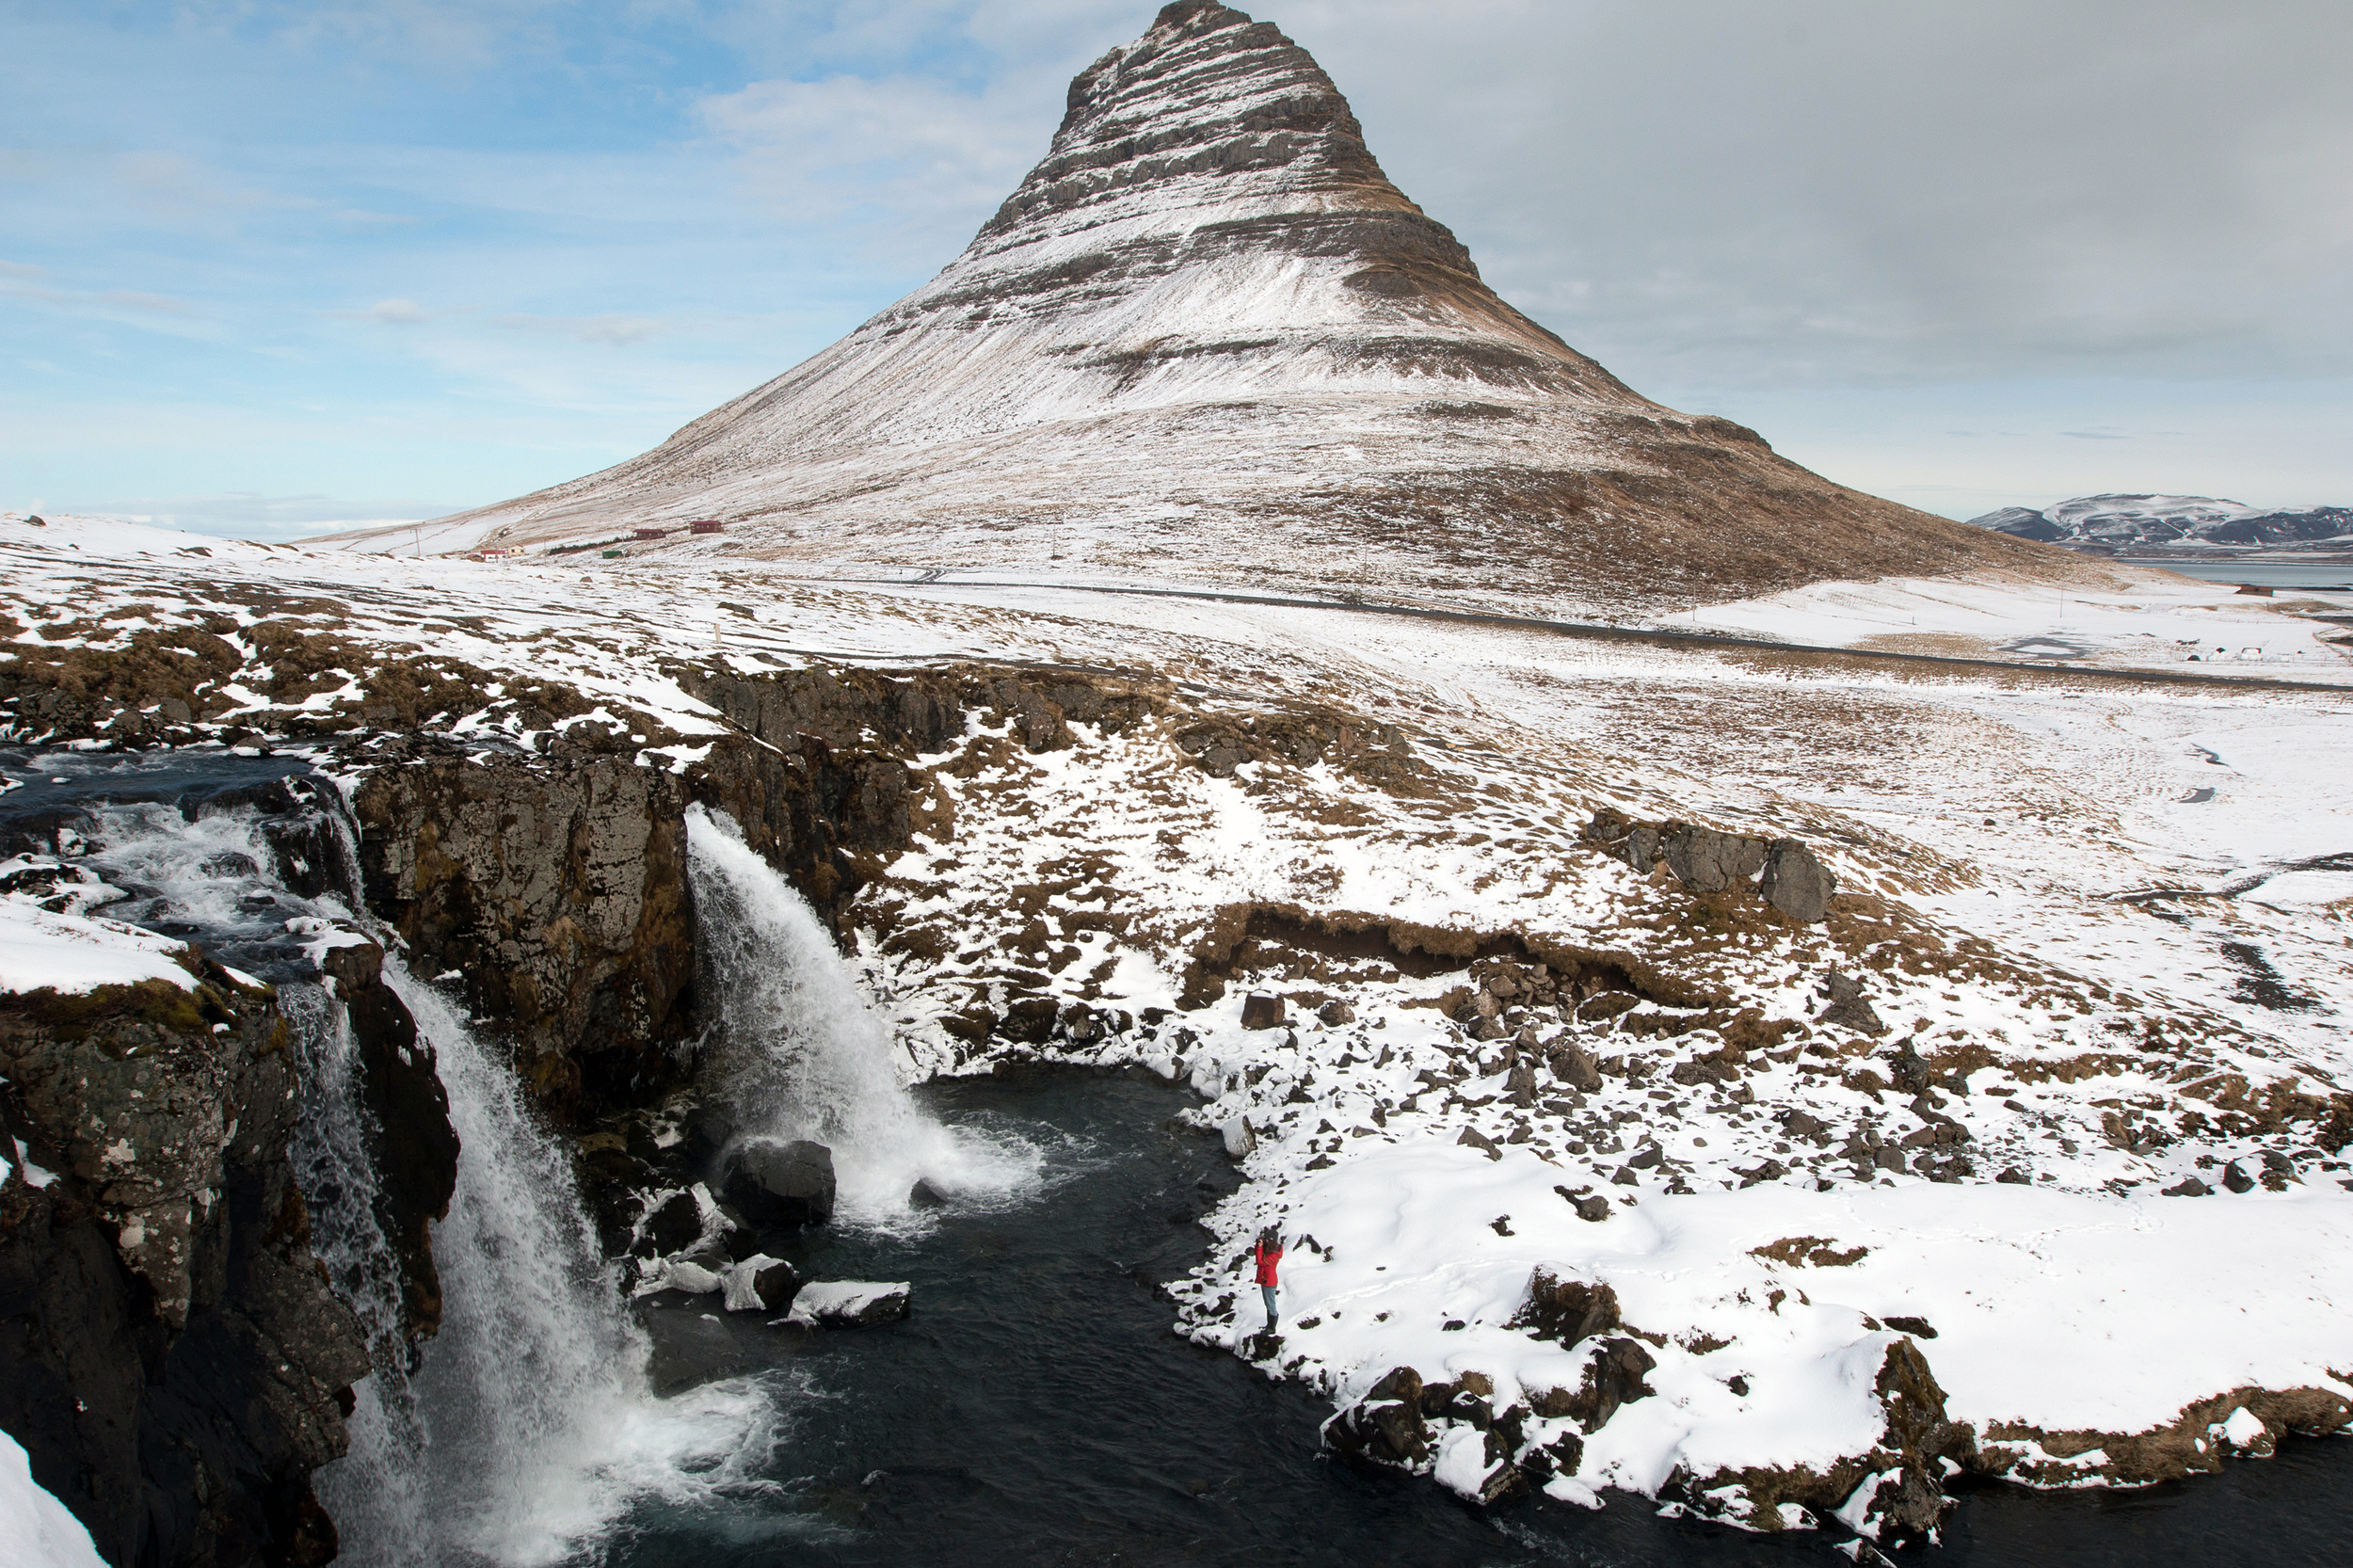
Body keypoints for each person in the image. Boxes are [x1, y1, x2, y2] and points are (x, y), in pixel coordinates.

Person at [1253, 1226, 1283, 1331]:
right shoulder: (1270, 1248)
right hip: (1265, 1280)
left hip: (1269, 1282)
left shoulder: (1274, 1255)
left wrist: (1261, 1247)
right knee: (1268, 1304)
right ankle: (1269, 1325)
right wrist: (1259, 1246)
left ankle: (1272, 1328)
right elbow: (1257, 1254)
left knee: (1271, 1304)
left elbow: (1261, 1262)